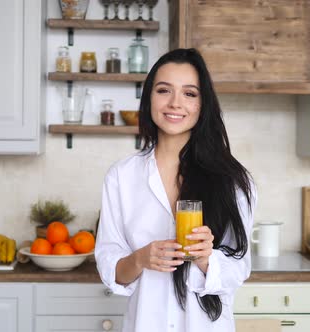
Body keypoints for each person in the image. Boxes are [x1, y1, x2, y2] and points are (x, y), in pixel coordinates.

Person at [95, 48, 256, 332]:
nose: (175, 103)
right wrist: (140, 258)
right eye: (164, 90)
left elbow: (238, 269)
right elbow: (113, 270)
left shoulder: (232, 180)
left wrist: (207, 258)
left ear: (203, 104)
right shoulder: (121, 177)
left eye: (190, 93)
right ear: (148, 98)